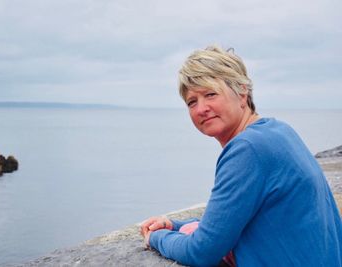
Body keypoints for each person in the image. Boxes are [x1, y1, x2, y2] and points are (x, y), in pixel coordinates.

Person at [140, 45, 342, 267]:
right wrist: (175, 225)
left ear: (242, 93)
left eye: (210, 94)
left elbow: (202, 252)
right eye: (192, 102)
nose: (201, 109)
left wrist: (156, 237)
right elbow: (226, 224)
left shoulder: (248, 149)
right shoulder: (278, 131)